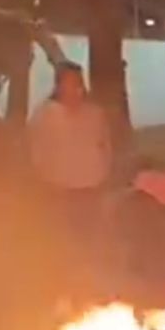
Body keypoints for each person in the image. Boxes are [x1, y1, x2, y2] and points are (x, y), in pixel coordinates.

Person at [29, 63, 114, 236]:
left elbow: (105, 146)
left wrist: (103, 176)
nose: (76, 89)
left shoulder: (95, 114)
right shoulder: (45, 115)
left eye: (79, 83)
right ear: (59, 86)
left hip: (91, 193)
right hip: (59, 194)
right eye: (70, 83)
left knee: (90, 241)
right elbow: (36, 152)